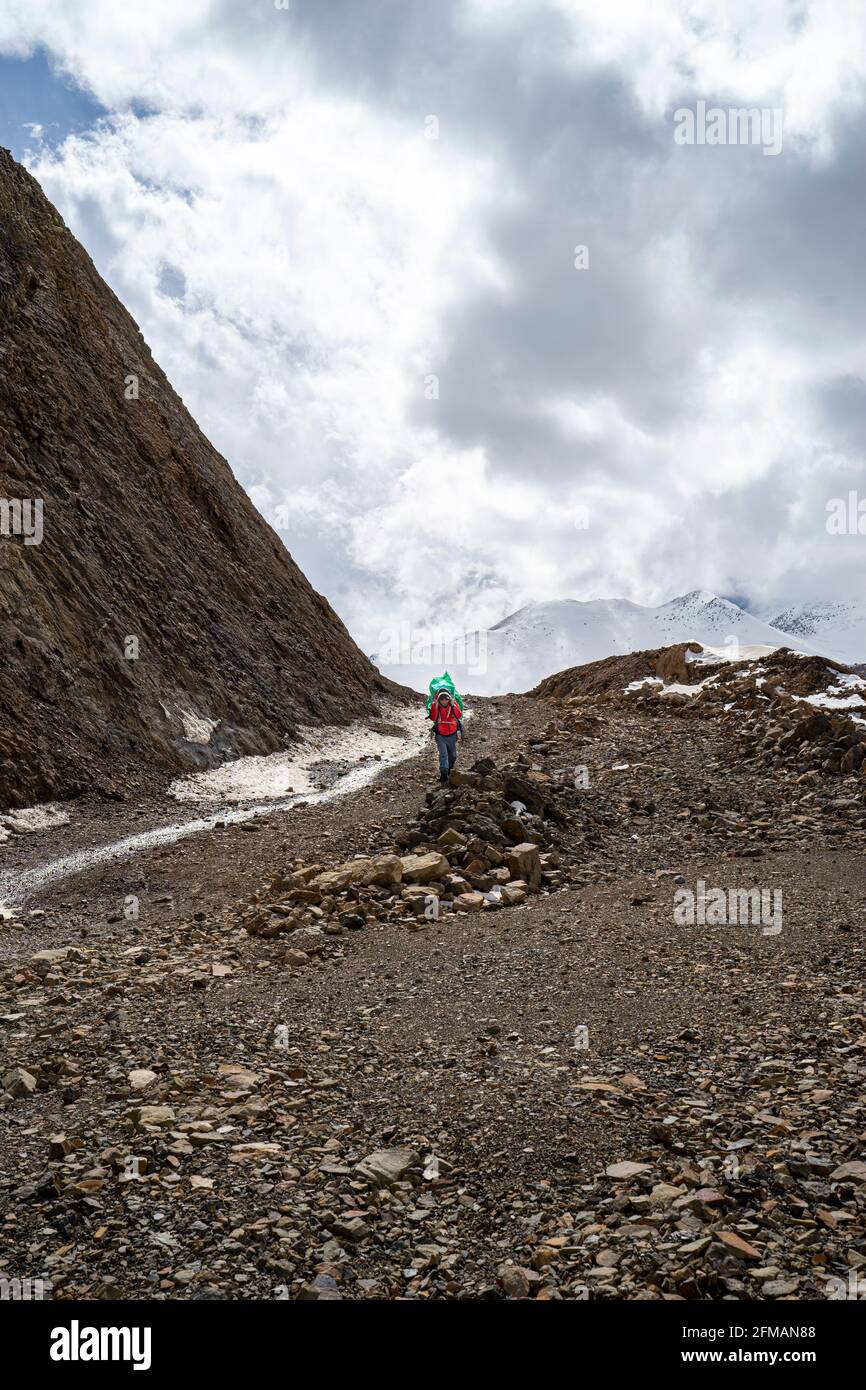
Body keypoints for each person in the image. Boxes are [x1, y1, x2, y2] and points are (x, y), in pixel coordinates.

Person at [428, 689, 463, 784]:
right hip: (440, 735)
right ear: (439, 700)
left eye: (446, 699)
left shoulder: (453, 705)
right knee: (444, 755)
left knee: (453, 756)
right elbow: (433, 717)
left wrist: (453, 705)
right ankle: (444, 775)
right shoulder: (436, 706)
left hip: (452, 734)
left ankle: (448, 770)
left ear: (449, 699)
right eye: (442, 700)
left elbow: (458, 715)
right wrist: (434, 706)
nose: (444, 701)